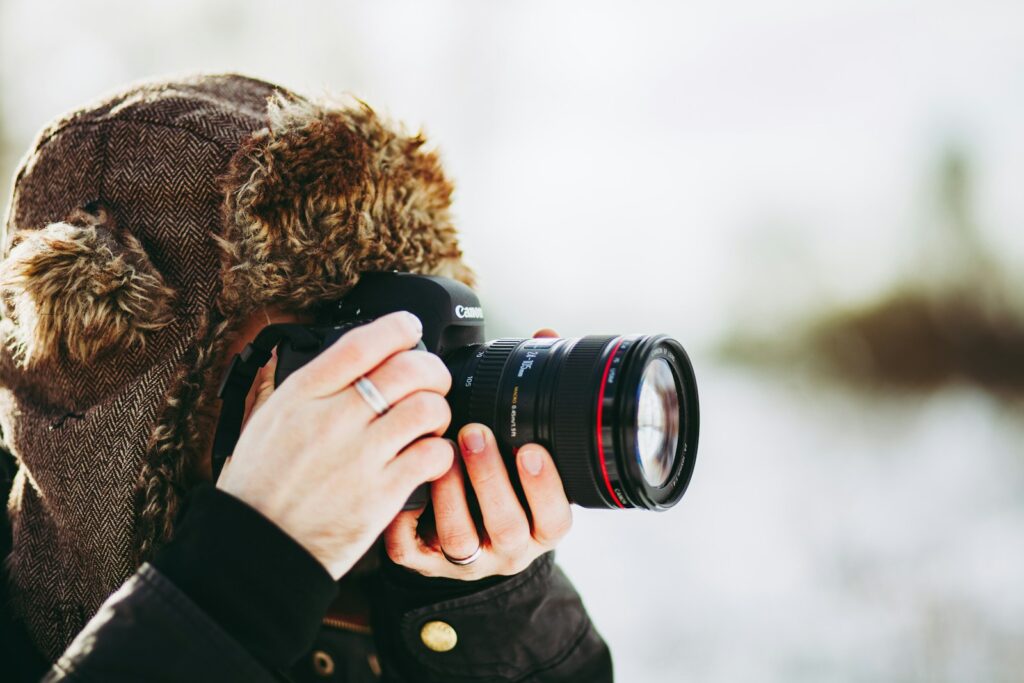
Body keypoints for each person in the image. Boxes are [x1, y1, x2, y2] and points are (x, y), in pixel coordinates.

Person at [0, 73, 613, 681]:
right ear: (142, 389)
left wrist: (485, 615)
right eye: (332, 347)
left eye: (413, 343)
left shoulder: (400, 594)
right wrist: (245, 570)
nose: (396, 386)